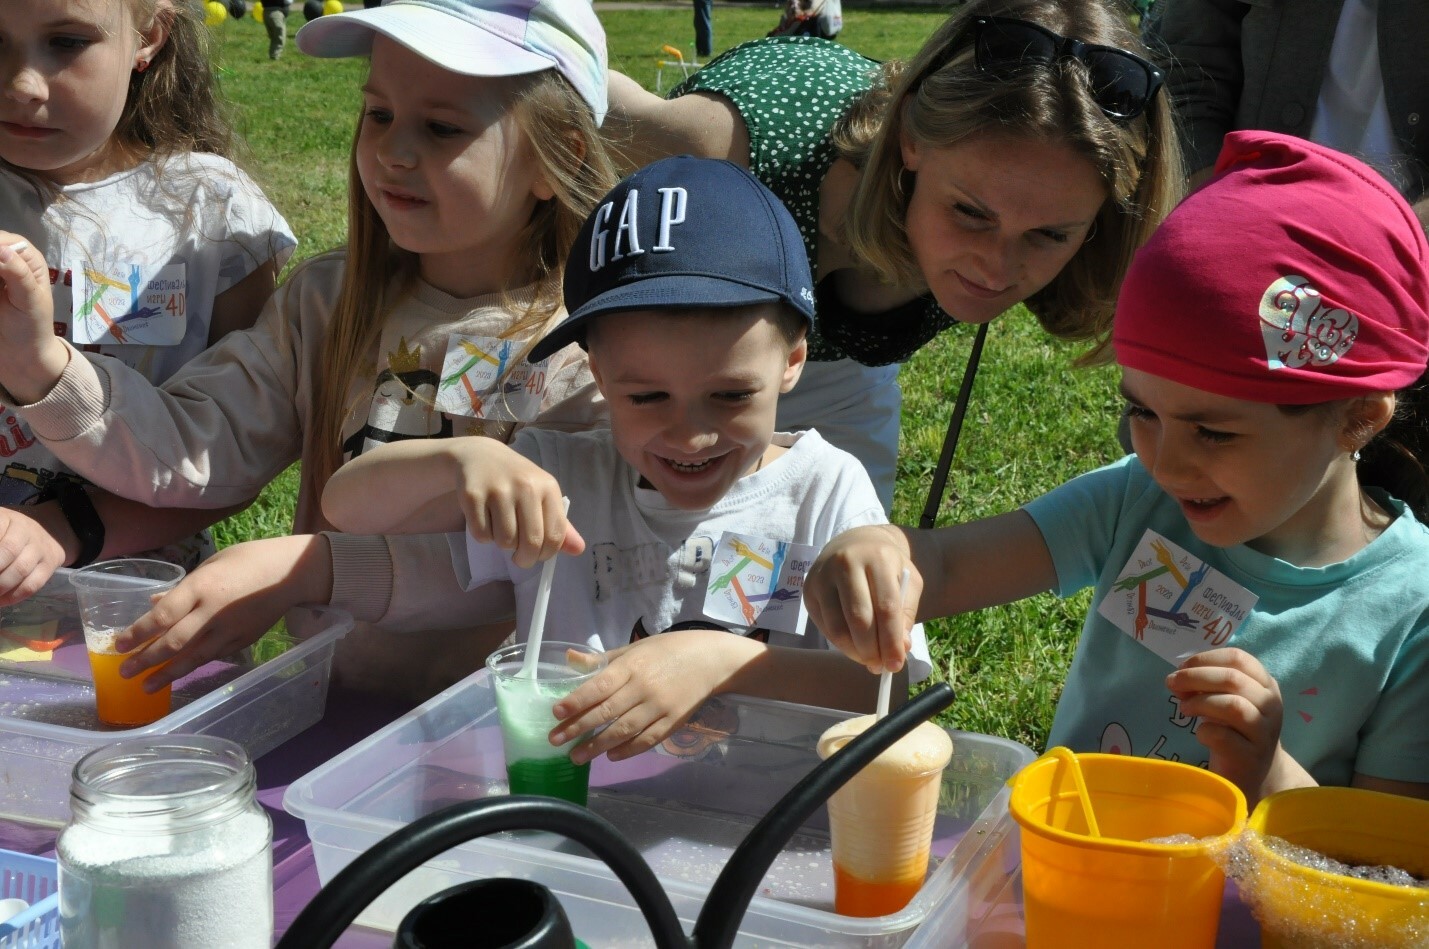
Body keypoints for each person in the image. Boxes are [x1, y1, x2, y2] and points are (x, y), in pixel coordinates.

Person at [0, 0, 617, 699]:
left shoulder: (599, 348)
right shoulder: (326, 304)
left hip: (509, 726)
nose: (391, 152)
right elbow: (197, 443)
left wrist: (308, 570)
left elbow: (558, 564)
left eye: (442, 127)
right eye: (379, 113)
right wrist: (42, 368)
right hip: (330, 704)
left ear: (557, 157)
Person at [803, 132, 1429, 808]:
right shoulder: (1137, 503)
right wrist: (881, 552)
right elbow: (947, 567)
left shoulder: (1410, 613)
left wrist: (1267, 770)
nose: (1166, 462)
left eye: (1213, 431)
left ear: (1357, 419)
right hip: (1067, 864)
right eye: (1142, 411)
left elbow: (1380, 856)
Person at [319, 156, 933, 762]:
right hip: (579, 807)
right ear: (599, 373)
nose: (690, 436)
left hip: (771, 814)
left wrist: (724, 664)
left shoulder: (826, 490)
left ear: (793, 360)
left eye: (730, 396)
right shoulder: (559, 477)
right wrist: (463, 459)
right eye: (647, 397)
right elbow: (347, 508)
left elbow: (889, 689)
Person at [605, 0, 1183, 509]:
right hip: (661, 363)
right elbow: (580, 102)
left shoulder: (1072, 215)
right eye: (970, 213)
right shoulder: (730, 151)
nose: (997, 267)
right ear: (910, 139)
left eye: (1049, 235)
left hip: (843, 374)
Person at [0, 0, 294, 594]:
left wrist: (66, 528)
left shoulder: (212, 216)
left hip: (138, 603)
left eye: (67, 42)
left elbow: (240, 452)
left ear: (148, 35)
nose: (21, 85)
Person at [1144, 0, 1428, 223]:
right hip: (1240, 223)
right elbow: (1184, 73)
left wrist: (1400, 248)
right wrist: (1220, 210)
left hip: (1410, 258)